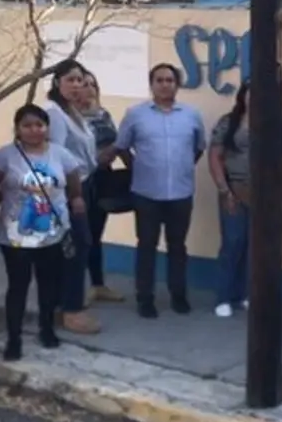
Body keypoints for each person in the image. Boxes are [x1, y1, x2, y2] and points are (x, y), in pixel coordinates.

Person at [0, 104, 84, 361]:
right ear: (17, 129)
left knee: (49, 285)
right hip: (16, 236)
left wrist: (76, 200)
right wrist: (9, 202)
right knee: (18, 286)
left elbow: (74, 182)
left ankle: (47, 329)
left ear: (47, 127)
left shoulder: (60, 154)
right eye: (27, 125)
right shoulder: (5, 156)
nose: (34, 130)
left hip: (53, 234)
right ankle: (14, 339)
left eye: (39, 125)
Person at [111, 63, 206, 319]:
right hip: (146, 193)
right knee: (146, 246)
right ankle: (145, 298)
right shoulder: (136, 114)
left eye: (170, 80)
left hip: (181, 193)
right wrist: (137, 168)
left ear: (177, 84)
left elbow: (199, 148)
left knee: (178, 246)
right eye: (160, 80)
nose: (165, 85)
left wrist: (182, 167)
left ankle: (179, 295)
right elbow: (122, 146)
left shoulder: (191, 115)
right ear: (151, 84)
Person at [44, 59, 101, 335]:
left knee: (71, 248)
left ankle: (60, 306)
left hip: (84, 184)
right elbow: (55, 156)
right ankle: (71, 309)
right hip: (68, 190)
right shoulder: (54, 113)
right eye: (70, 80)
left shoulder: (72, 112)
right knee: (78, 246)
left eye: (80, 80)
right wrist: (71, 194)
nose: (77, 85)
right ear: (58, 82)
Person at [80, 71, 124, 304]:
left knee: (96, 234)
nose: (88, 88)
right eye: (84, 84)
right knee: (81, 236)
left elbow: (118, 143)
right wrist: (96, 158)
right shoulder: (69, 119)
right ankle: (75, 289)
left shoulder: (103, 114)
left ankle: (98, 285)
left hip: (102, 178)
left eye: (92, 84)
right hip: (80, 180)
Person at [207, 83, 251, 318]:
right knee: (233, 242)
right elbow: (215, 156)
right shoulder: (229, 122)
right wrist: (225, 190)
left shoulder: (276, 122)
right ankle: (223, 297)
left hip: (261, 194)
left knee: (254, 247)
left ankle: (244, 294)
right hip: (233, 189)